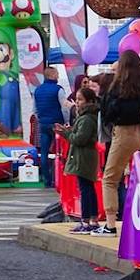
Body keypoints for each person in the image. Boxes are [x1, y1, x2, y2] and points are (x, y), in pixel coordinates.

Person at [97, 50, 140, 236]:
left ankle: (110, 224)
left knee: (110, 178)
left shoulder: (116, 88)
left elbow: (107, 113)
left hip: (123, 132)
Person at [56, 88, 100, 234]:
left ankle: (86, 221)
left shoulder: (86, 119)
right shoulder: (89, 117)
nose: (77, 102)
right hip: (86, 156)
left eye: (80, 99)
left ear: (88, 101)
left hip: (83, 157)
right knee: (88, 188)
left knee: (85, 189)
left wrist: (65, 133)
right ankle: (92, 220)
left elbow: (80, 139)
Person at [33, 67, 68, 188]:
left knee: (44, 152)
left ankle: (47, 180)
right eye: (57, 74)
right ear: (52, 75)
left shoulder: (37, 90)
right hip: (57, 124)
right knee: (60, 152)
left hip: (43, 124)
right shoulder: (58, 90)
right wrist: (66, 122)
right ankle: (59, 179)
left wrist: (41, 120)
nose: (58, 76)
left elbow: (35, 110)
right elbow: (64, 107)